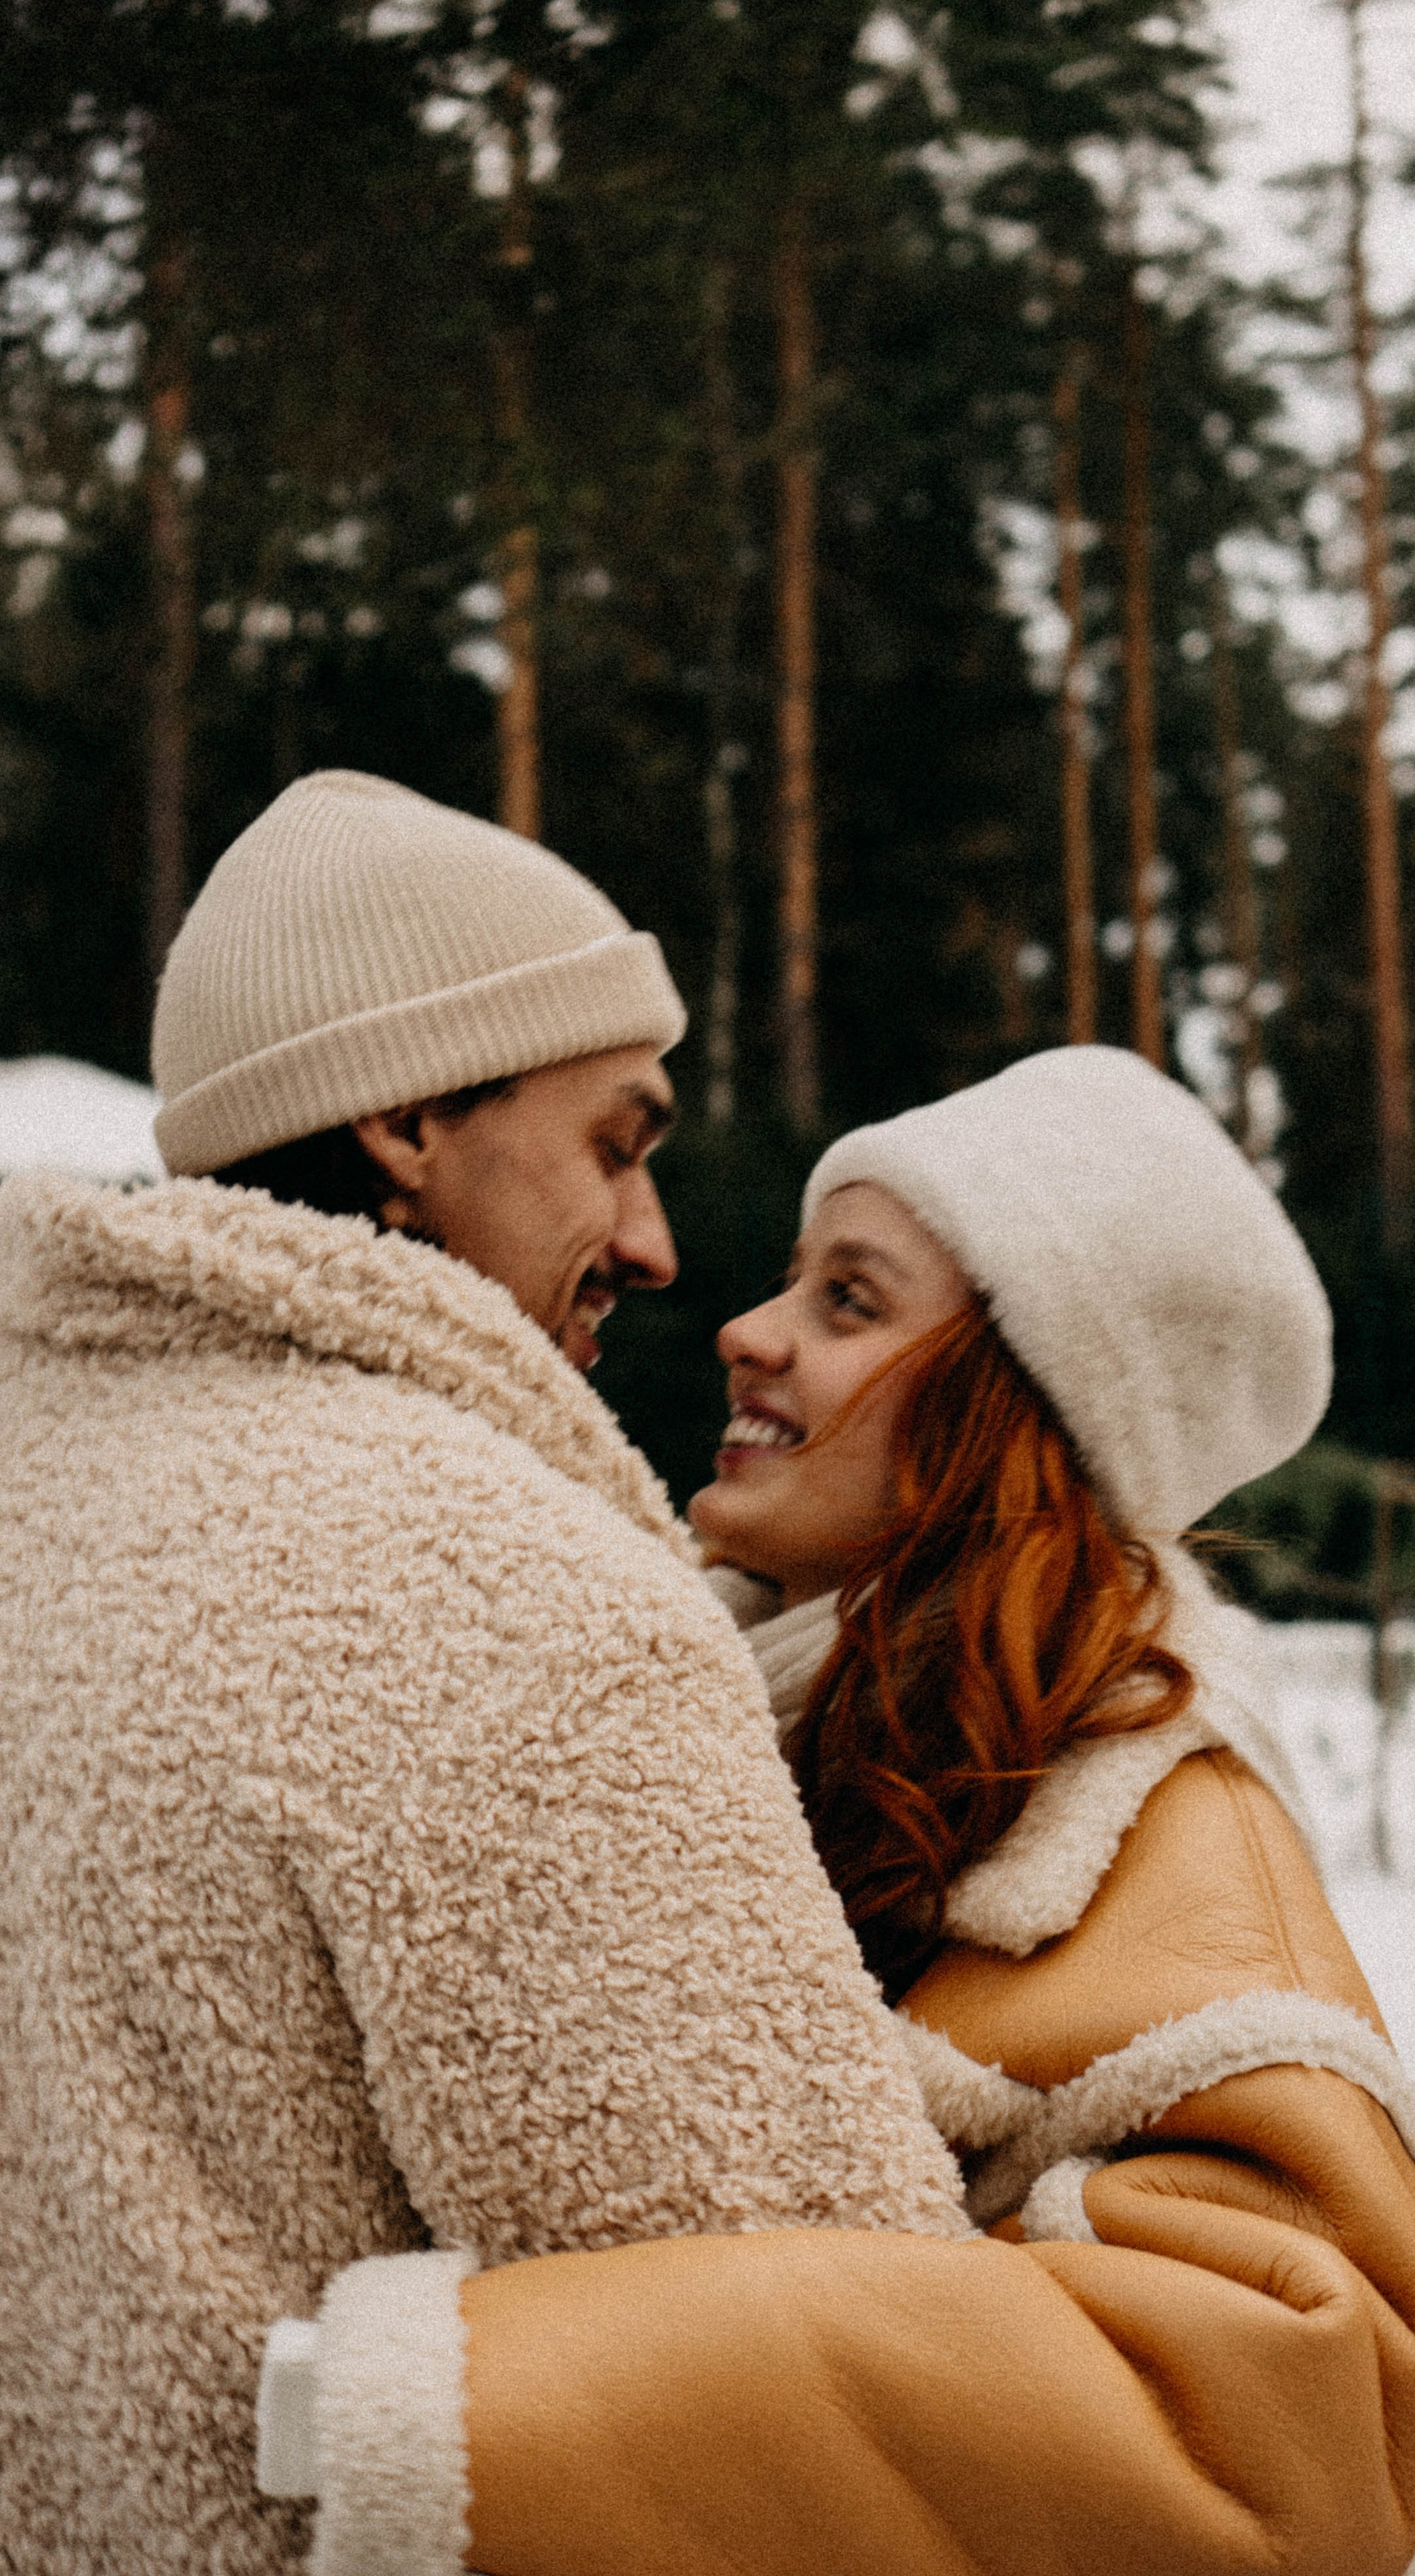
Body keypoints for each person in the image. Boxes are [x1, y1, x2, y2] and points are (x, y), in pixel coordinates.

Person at [289, 1047, 1415, 2576]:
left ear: (1021, 1409)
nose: (742, 1331)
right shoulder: (724, 1711)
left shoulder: (1154, 1824)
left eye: (846, 1302)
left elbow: (1297, 2432)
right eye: (791, 1282)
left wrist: (450, 2399)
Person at [0, 770, 969, 2576]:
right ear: (407, 1118)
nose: (663, 1242)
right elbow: (817, 2388)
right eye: (618, 1141)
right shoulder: (502, 1602)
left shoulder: (34, 1499)